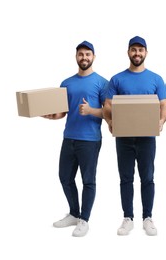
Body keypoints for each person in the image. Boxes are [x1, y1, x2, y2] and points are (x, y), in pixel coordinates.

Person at [103, 36, 166, 236]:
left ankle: (147, 217)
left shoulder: (156, 79)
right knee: (125, 178)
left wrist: (161, 121)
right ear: (128, 52)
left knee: (147, 178)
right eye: (134, 49)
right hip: (123, 137)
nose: (137, 53)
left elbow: (164, 106)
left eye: (141, 50)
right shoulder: (117, 79)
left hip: (147, 137)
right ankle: (128, 218)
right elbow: (107, 106)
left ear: (146, 53)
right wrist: (110, 121)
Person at [42, 40, 108, 237]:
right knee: (65, 177)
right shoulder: (66, 83)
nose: (84, 57)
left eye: (88, 54)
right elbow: (62, 112)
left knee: (88, 180)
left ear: (93, 57)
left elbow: (110, 113)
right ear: (76, 57)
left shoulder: (102, 83)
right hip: (69, 137)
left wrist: (90, 110)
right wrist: (49, 115)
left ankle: (84, 219)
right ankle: (73, 213)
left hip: (90, 139)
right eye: (81, 54)